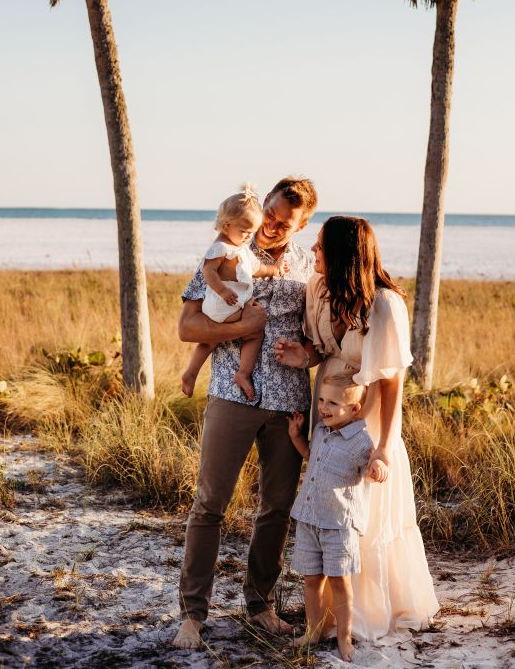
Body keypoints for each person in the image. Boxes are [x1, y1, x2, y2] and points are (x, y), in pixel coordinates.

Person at [276, 216, 440, 641]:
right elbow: (321, 349)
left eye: (319, 247)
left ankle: (366, 611)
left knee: (359, 509)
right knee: (329, 503)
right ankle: (327, 610)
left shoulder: (384, 304)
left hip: (366, 416)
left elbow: (391, 384)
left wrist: (383, 447)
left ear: (344, 255)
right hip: (327, 404)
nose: (312, 253)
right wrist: (303, 356)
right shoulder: (318, 290)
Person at [173, 176, 318, 652]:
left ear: (303, 224)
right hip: (231, 394)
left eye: (284, 222)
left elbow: (323, 335)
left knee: (276, 508)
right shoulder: (228, 247)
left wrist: (310, 353)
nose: (272, 227)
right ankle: (193, 615)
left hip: (288, 402)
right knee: (210, 504)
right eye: (271, 214)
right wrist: (244, 324)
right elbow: (188, 325)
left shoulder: (309, 267)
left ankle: (260, 606)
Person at [288, 373, 385, 662]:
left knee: (340, 583)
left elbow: (371, 467)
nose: (323, 407)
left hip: (339, 526)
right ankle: (313, 630)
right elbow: (311, 456)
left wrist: (377, 468)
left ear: (354, 409)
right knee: (311, 581)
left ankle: (344, 638)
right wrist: (296, 436)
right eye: (321, 400)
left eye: (332, 403)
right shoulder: (319, 430)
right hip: (309, 519)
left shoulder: (360, 442)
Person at [181, 184, 287, 401]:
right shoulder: (221, 247)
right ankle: (243, 373)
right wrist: (223, 290)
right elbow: (208, 271)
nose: (248, 236)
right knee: (255, 331)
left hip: (224, 307)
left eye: (251, 232)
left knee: (209, 342)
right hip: (224, 303)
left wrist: (275, 269)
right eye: (244, 231)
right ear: (226, 225)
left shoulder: (240, 249)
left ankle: (190, 374)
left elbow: (258, 269)